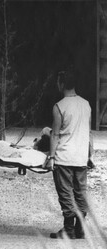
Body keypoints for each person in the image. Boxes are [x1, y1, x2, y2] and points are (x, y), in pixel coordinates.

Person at [46, 69, 93, 239]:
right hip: (81, 156)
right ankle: (80, 228)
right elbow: (88, 133)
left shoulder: (59, 106)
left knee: (65, 192)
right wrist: (89, 155)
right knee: (80, 192)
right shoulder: (86, 104)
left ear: (61, 84)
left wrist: (51, 157)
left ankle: (68, 229)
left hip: (65, 156)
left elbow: (56, 134)